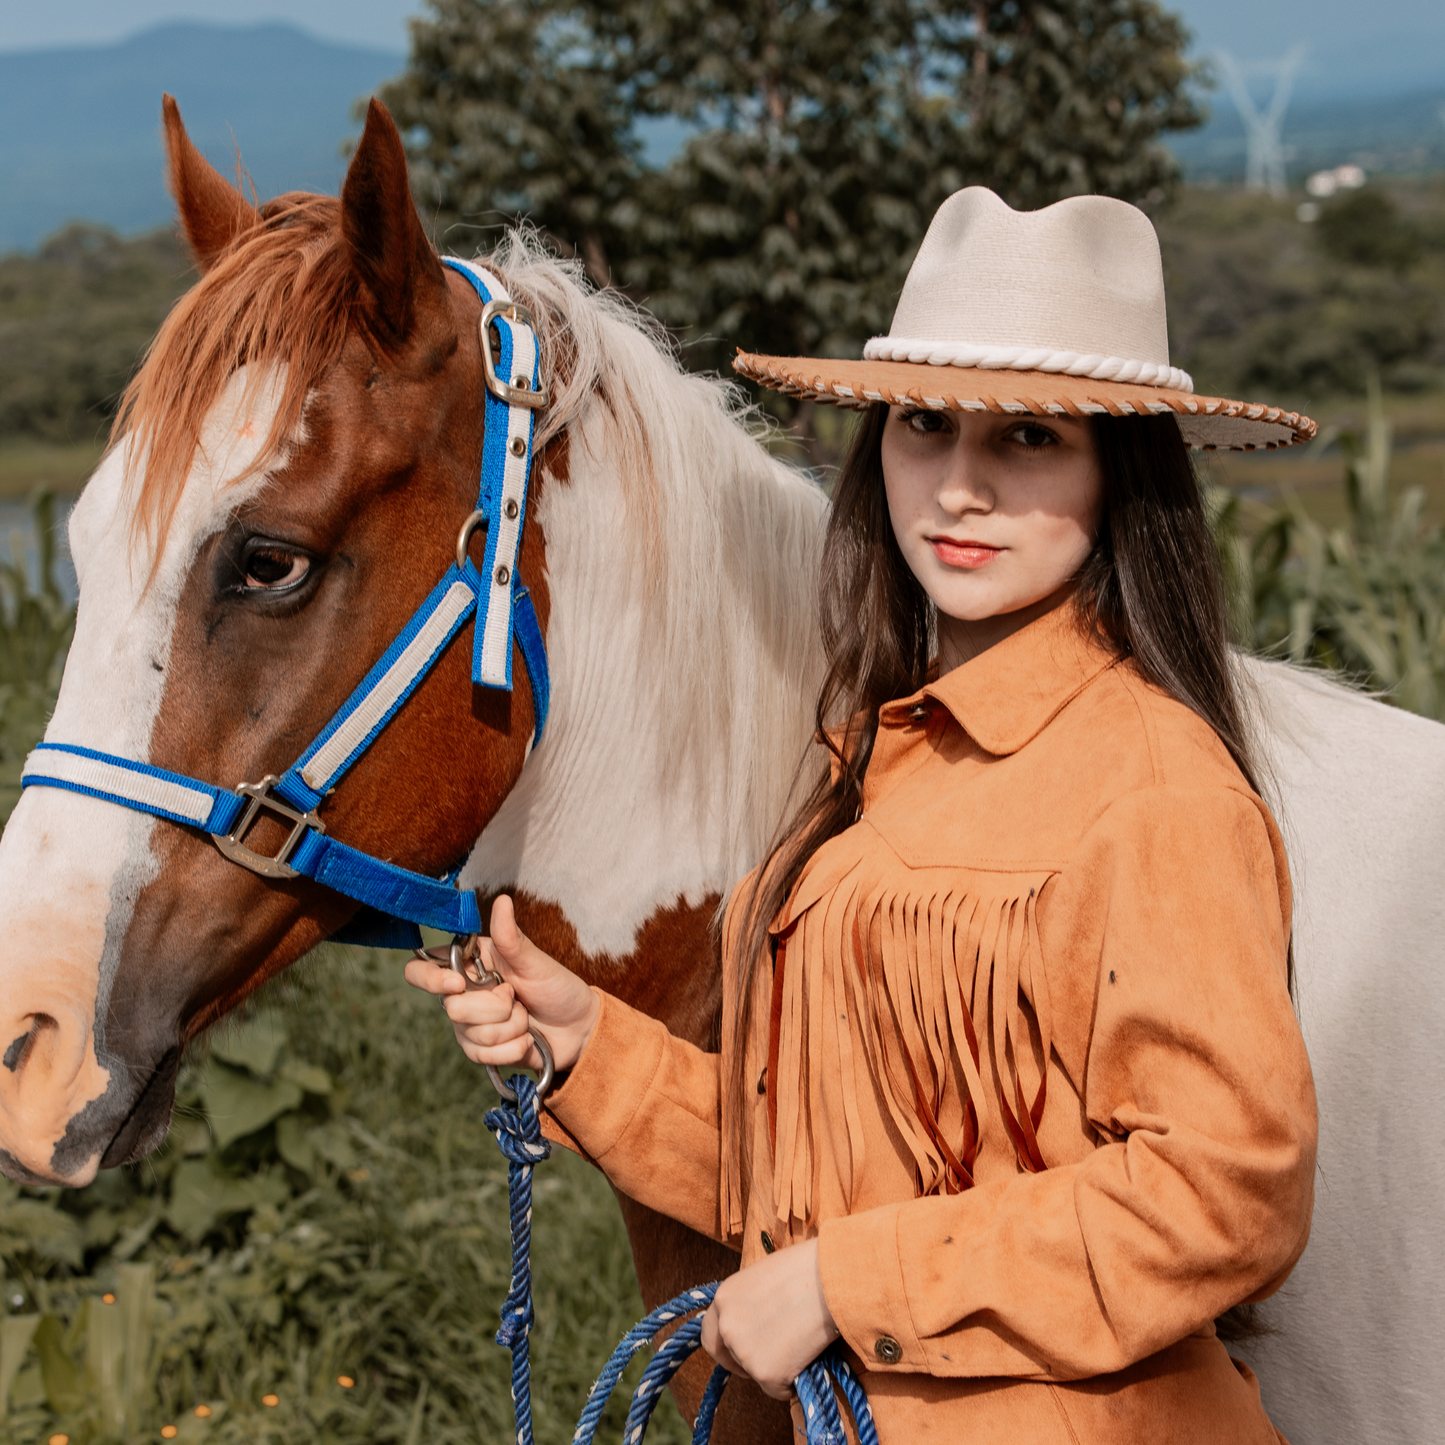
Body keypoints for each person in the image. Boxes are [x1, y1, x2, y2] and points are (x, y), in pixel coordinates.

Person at [406, 187, 1319, 1443]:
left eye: (1029, 437)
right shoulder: (880, 759)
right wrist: (588, 1048)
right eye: (924, 425)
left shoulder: (1154, 785)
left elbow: (1224, 1193)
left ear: (1118, 471)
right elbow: (824, 1172)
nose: (958, 487)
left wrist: (846, 1284)